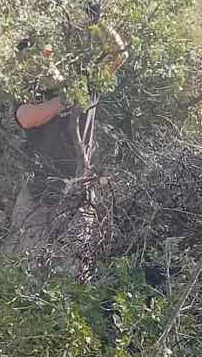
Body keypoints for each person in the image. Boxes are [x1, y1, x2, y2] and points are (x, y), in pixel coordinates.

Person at [9, 21, 128, 252]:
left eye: (39, 56)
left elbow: (118, 55)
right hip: (37, 197)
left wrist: (99, 23)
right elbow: (27, 118)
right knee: (21, 264)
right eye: (27, 60)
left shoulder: (85, 84)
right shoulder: (29, 95)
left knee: (75, 265)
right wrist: (66, 99)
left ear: (50, 55)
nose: (35, 64)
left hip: (78, 196)